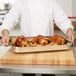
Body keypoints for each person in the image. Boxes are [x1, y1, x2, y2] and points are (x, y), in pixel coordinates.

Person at [0, 0, 75, 76]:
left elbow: (61, 18)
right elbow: (9, 19)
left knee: (48, 73)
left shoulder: (50, 2)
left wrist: (68, 29)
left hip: (48, 49)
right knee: (28, 74)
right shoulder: (21, 2)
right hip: (26, 49)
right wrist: (5, 32)